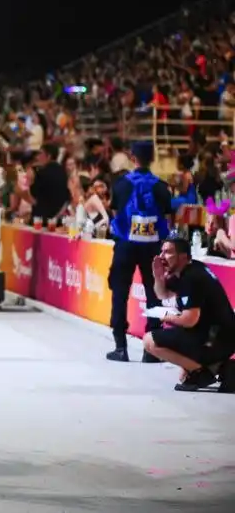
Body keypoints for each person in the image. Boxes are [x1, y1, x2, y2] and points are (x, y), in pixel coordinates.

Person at [105, 141, 172, 362]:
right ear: (152, 159)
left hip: (125, 246)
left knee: (120, 293)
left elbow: (115, 213)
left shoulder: (121, 184)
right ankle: (151, 350)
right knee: (154, 295)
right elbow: (169, 218)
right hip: (152, 247)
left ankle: (120, 347)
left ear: (132, 157)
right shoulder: (162, 187)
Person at [143, 236, 235, 392]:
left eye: (168, 252)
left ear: (183, 256)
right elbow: (162, 294)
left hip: (217, 339)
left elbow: (189, 320)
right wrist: (158, 276)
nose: (162, 257)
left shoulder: (193, 278)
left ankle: (203, 372)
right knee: (183, 363)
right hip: (215, 334)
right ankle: (222, 368)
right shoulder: (188, 270)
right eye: (162, 251)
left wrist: (165, 317)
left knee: (149, 341)